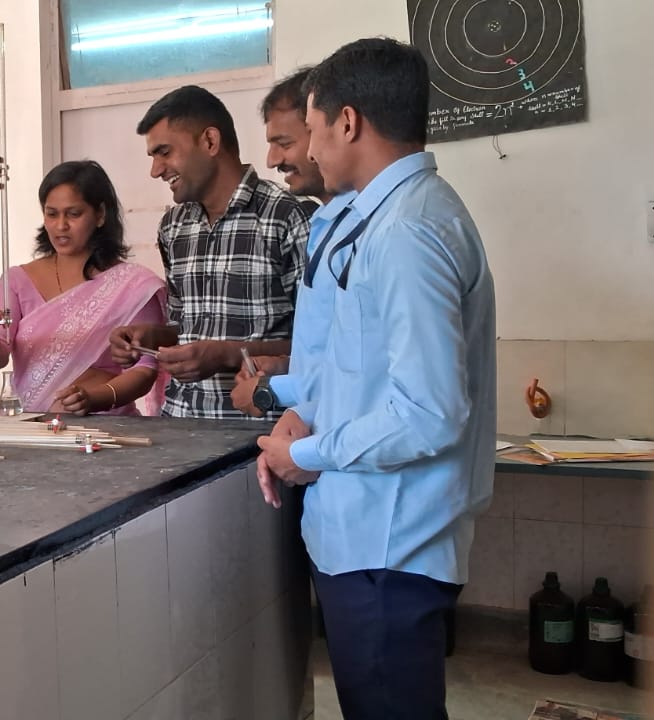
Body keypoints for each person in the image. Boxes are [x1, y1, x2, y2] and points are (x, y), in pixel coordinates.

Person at [253, 38, 497, 719]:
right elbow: (364, 371)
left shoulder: (408, 231)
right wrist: (304, 410)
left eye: (311, 128)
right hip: (370, 540)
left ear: (347, 122)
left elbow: (428, 412)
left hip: (389, 544)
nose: (308, 148)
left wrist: (306, 454)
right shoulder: (387, 219)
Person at [109, 85, 310, 420]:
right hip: (180, 423)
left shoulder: (286, 217)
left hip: (256, 431)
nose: (156, 170)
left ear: (210, 142)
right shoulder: (173, 227)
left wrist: (226, 355)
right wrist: (150, 337)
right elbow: (185, 328)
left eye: (164, 152)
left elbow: (319, 347)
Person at [0, 160, 167, 416]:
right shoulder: (17, 280)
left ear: (100, 215)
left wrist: (94, 399)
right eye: (52, 214)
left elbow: (145, 368)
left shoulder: (132, 285)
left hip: (108, 426)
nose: (61, 226)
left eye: (73, 214)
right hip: (36, 426)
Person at [231, 67, 343, 418]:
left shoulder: (384, 228)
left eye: (284, 144)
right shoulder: (325, 223)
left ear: (327, 130)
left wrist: (272, 390)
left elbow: (370, 372)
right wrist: (286, 367)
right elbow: (336, 352)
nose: (272, 160)